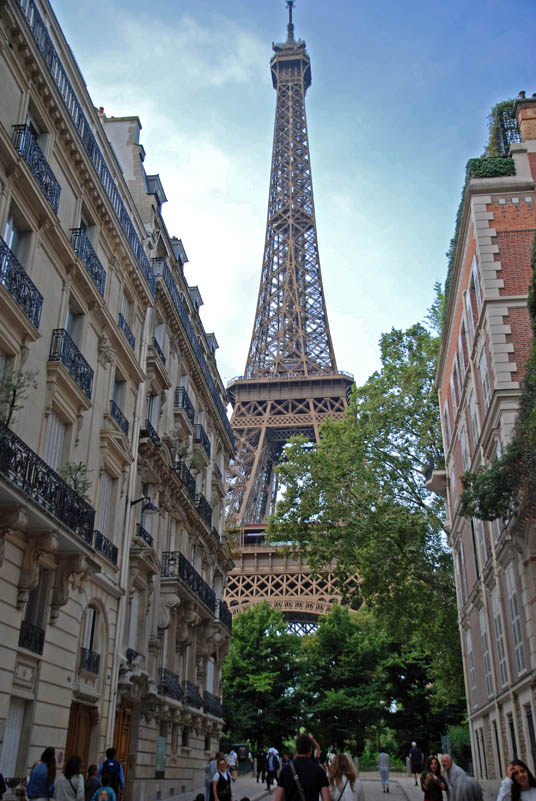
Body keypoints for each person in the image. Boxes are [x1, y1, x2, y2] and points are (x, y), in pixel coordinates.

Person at [276, 734, 330, 801]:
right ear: (310, 749)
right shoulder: (319, 771)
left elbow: (278, 799)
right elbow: (326, 799)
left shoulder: (285, 771)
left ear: (296, 749)